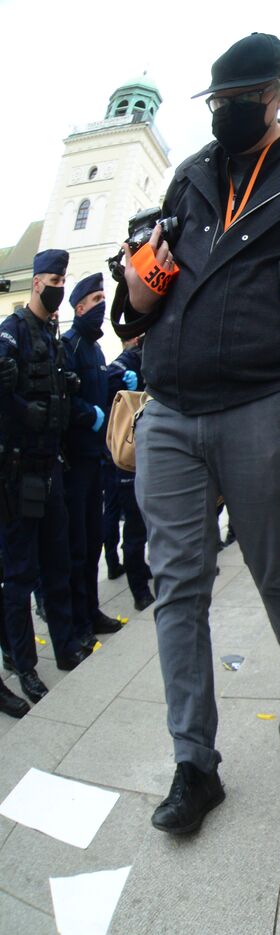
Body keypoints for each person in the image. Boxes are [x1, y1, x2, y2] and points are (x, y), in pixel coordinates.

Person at [117, 33, 280, 834]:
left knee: (270, 556)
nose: (225, 113)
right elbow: (151, 267)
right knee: (178, 584)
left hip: (263, 400)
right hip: (169, 403)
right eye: (217, 101)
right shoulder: (193, 172)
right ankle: (194, 764)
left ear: (278, 96)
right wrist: (138, 279)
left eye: (241, 100)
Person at [0, 248, 91, 705]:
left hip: (52, 468)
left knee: (56, 564)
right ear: (36, 281)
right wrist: (21, 410)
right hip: (19, 473)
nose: (58, 285)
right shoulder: (11, 334)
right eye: (54, 278)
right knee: (19, 575)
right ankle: (23, 666)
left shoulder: (53, 339)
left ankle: (65, 646)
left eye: (63, 279)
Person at [60, 274, 128, 643]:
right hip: (76, 461)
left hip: (96, 458)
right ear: (80, 306)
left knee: (93, 541)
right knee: (76, 543)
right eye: (96, 299)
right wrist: (90, 415)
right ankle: (76, 621)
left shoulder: (95, 349)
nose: (102, 306)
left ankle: (91, 610)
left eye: (105, 298)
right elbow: (66, 399)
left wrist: (117, 382)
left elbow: (98, 388)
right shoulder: (69, 346)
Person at [101, 335, 154, 610]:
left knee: (148, 522)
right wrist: (122, 381)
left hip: (151, 453)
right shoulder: (127, 363)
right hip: (128, 459)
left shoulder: (154, 357)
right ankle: (139, 590)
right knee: (134, 525)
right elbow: (111, 377)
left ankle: (144, 568)